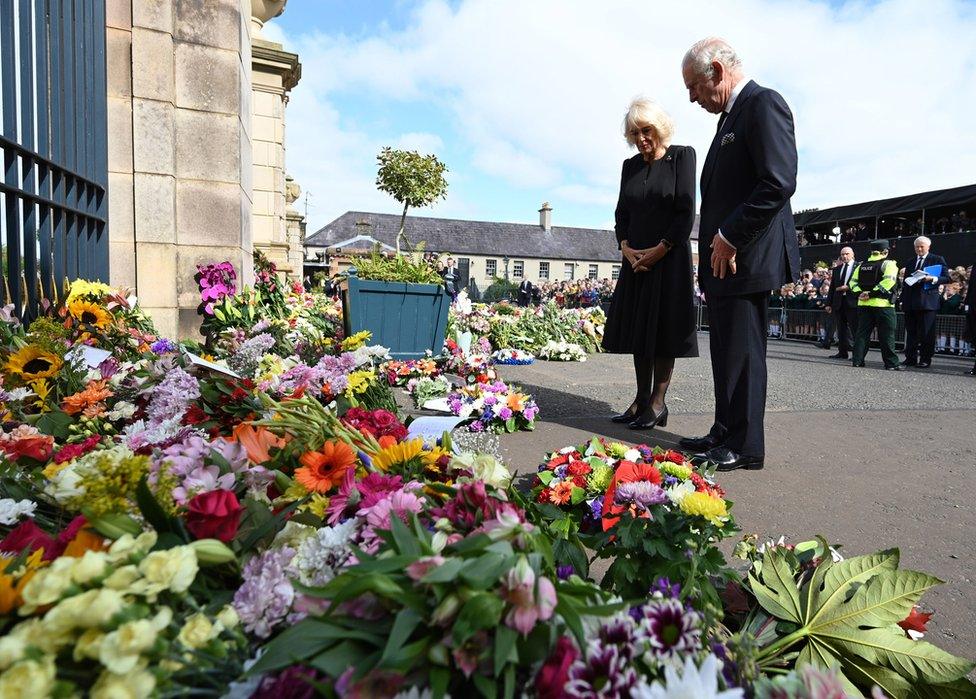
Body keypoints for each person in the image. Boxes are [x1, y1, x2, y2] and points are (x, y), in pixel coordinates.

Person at [676, 38, 800, 471]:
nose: (692, 97)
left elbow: (778, 182)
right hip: (724, 262)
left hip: (747, 256)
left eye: (694, 86)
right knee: (726, 351)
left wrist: (729, 235)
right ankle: (724, 430)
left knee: (744, 354)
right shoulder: (729, 119)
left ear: (716, 71)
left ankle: (746, 446)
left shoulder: (764, 104)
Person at [602, 98, 698, 431]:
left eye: (647, 130)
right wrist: (626, 249)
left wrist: (660, 249)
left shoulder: (682, 156)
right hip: (636, 261)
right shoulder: (630, 166)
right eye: (635, 133)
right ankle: (641, 399)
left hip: (668, 259)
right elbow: (621, 215)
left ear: (659, 128)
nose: (641, 138)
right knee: (639, 333)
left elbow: (685, 212)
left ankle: (658, 402)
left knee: (663, 332)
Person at [849, 239, 902, 370]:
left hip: (863, 305)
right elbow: (888, 282)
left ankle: (857, 361)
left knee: (862, 334)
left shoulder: (861, 265)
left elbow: (852, 283)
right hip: (883, 305)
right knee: (886, 335)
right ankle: (891, 364)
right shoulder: (889, 264)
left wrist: (860, 294)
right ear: (885, 251)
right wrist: (871, 294)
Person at [899, 236, 949, 368]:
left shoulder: (937, 259)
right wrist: (902, 300)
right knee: (911, 332)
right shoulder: (910, 262)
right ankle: (910, 358)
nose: (919, 249)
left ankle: (925, 359)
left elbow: (946, 278)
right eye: (917, 247)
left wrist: (932, 278)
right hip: (910, 301)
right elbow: (906, 283)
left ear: (928, 246)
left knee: (927, 333)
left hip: (928, 302)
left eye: (922, 246)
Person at [826, 247, 858, 359]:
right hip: (839, 302)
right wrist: (828, 304)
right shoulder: (837, 269)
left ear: (852, 254)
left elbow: (861, 283)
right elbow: (832, 288)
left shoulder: (858, 267)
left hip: (853, 302)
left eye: (847, 254)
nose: (844, 256)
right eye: (842, 254)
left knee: (855, 329)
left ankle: (857, 354)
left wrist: (848, 287)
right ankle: (842, 352)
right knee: (841, 329)